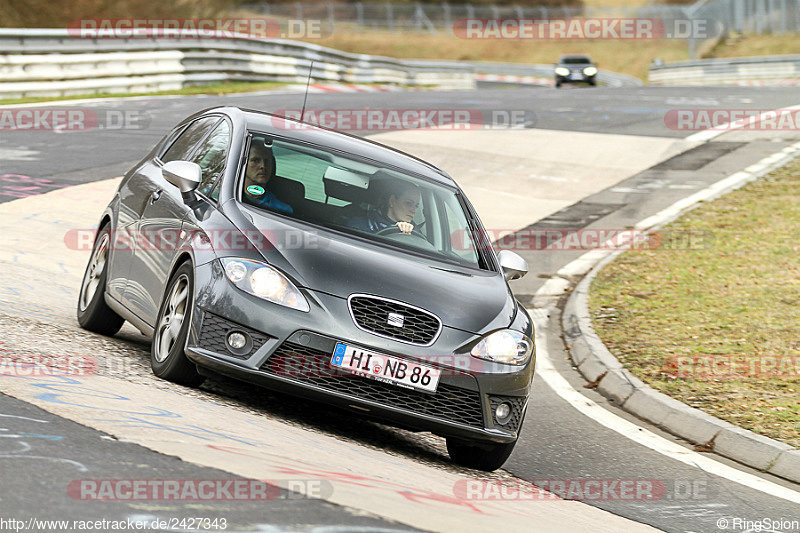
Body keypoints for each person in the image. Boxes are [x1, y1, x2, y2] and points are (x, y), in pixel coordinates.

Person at [348, 180, 420, 234]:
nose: (413, 210)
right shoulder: (360, 225)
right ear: (392, 201)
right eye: (408, 203)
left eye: (416, 206)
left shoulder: (416, 233)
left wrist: (407, 236)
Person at [242, 141, 293, 214]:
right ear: (243, 163)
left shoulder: (283, 209)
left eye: (267, 161)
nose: (263, 166)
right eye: (256, 160)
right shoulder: (227, 195)